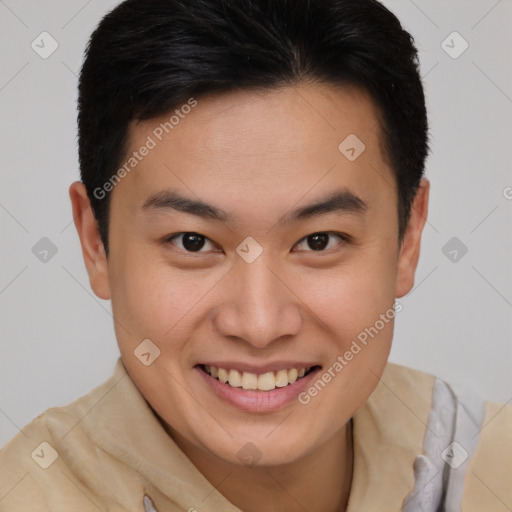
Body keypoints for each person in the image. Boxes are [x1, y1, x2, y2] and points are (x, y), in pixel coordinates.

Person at [0, 0, 510, 510]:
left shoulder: (489, 471)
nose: (260, 324)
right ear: (96, 243)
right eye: (193, 242)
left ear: (409, 238)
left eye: (319, 241)